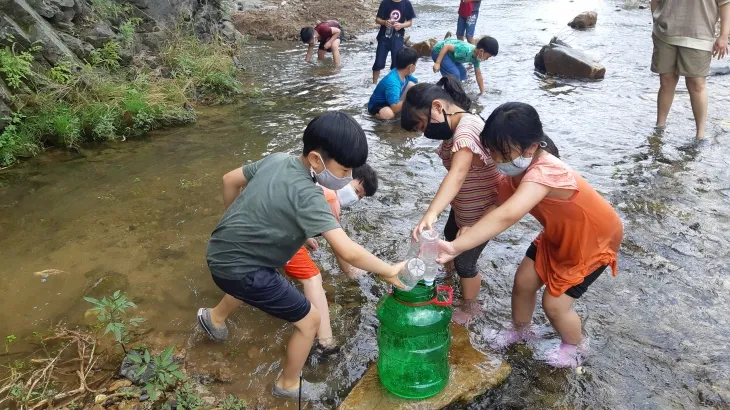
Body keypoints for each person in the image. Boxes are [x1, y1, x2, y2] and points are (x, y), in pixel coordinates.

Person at [198, 111, 404, 401]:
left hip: (221, 249)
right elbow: (346, 250)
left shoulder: (278, 159)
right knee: (309, 321)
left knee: (256, 284)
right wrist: (388, 270)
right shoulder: (311, 196)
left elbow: (229, 180)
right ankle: (288, 384)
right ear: (317, 160)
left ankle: (213, 318)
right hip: (242, 267)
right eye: (345, 171)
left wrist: (235, 223)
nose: (346, 179)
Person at [436, 102, 624, 368]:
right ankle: (521, 330)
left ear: (531, 148)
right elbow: (497, 205)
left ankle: (576, 346)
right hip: (558, 235)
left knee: (555, 305)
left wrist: (455, 247)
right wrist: (472, 227)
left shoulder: (546, 172)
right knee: (523, 282)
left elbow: (509, 214)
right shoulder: (516, 172)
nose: (497, 161)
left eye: (503, 154)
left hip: (593, 242)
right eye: (493, 152)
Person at [400, 76, 500, 325]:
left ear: (437, 107)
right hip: (463, 210)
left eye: (423, 126)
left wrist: (429, 214)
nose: (425, 133)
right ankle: (447, 281)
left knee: (466, 262)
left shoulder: (466, 129)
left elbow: (457, 175)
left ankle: (470, 307)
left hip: (483, 214)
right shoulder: (453, 129)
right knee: (448, 242)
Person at [282, 164, 379, 358]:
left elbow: (295, 209)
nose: (355, 198)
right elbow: (340, 248)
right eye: (357, 191)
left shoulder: (317, 183)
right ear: (346, 175)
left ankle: (216, 316)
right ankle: (325, 342)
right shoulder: (332, 199)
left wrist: (306, 237)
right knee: (313, 278)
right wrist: (350, 271)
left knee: (254, 271)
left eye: (360, 197)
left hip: (274, 227)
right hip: (282, 238)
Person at [651, 0, 730, 140]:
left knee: (696, 84)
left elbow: (725, 3)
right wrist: (656, 19)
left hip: (700, 35)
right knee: (666, 82)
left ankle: (700, 134)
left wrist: (724, 35)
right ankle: (659, 128)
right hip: (664, 33)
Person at [431, 36, 498, 94]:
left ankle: (456, 88)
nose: (487, 59)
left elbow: (478, 75)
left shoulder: (477, 57)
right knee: (455, 74)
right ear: (481, 51)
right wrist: (437, 63)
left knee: (463, 73)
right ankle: (451, 92)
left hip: (452, 56)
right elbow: (446, 47)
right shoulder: (465, 50)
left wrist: (482, 92)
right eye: (487, 57)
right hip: (439, 51)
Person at [368, 47, 419, 120]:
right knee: (389, 114)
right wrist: (411, 99)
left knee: (412, 86)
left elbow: (418, 84)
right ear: (411, 67)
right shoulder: (393, 82)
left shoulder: (404, 74)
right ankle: (375, 116)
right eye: (415, 64)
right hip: (379, 105)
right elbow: (394, 108)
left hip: (391, 101)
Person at [372, 0, 416, 84]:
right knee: (378, 62)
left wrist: (401, 25)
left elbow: (410, 22)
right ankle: (374, 84)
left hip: (398, 36)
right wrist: (384, 22)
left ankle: (393, 83)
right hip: (384, 35)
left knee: (396, 63)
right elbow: (377, 19)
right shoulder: (385, 2)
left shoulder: (406, 3)